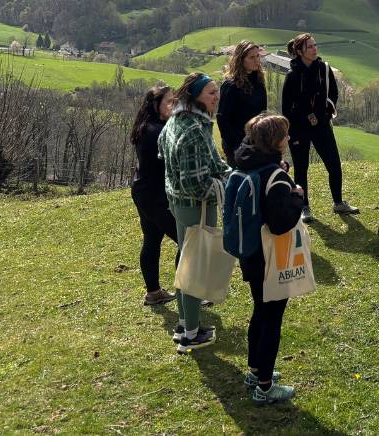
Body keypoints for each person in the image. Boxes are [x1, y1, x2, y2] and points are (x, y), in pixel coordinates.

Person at [230, 114, 306, 404]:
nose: (288, 139)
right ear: (276, 141)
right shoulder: (275, 177)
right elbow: (279, 222)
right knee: (272, 317)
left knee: (259, 311)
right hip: (270, 258)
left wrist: (280, 170)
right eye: (285, 136)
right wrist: (297, 196)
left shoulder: (247, 163)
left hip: (250, 253)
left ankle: (255, 371)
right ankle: (265, 386)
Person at [158, 71, 231, 353]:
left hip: (178, 202)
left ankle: (185, 323)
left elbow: (164, 152)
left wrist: (229, 173)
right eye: (211, 93)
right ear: (196, 97)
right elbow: (196, 184)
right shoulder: (192, 130)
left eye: (217, 92)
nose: (217, 97)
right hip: (194, 207)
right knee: (195, 267)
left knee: (187, 262)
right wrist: (223, 184)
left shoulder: (178, 119)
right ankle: (190, 334)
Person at [280, 33, 357, 221]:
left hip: (322, 126)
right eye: (310, 47)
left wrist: (325, 114)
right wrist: (300, 122)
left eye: (315, 45)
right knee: (301, 168)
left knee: (334, 164)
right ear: (300, 51)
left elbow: (333, 94)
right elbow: (286, 108)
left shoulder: (324, 69)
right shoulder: (292, 76)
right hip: (299, 128)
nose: (315, 49)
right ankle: (304, 207)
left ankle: (338, 203)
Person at [129, 84, 178, 307]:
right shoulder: (156, 131)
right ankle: (189, 292)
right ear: (155, 104)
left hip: (144, 191)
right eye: (169, 101)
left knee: (152, 239)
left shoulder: (147, 126)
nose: (174, 105)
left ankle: (153, 292)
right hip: (155, 195)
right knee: (187, 241)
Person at [217, 40, 268, 165]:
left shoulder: (259, 83)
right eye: (252, 57)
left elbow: (263, 114)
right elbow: (223, 120)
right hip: (237, 145)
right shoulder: (230, 85)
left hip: (257, 142)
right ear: (241, 60)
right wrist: (239, 144)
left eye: (258, 56)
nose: (257, 61)